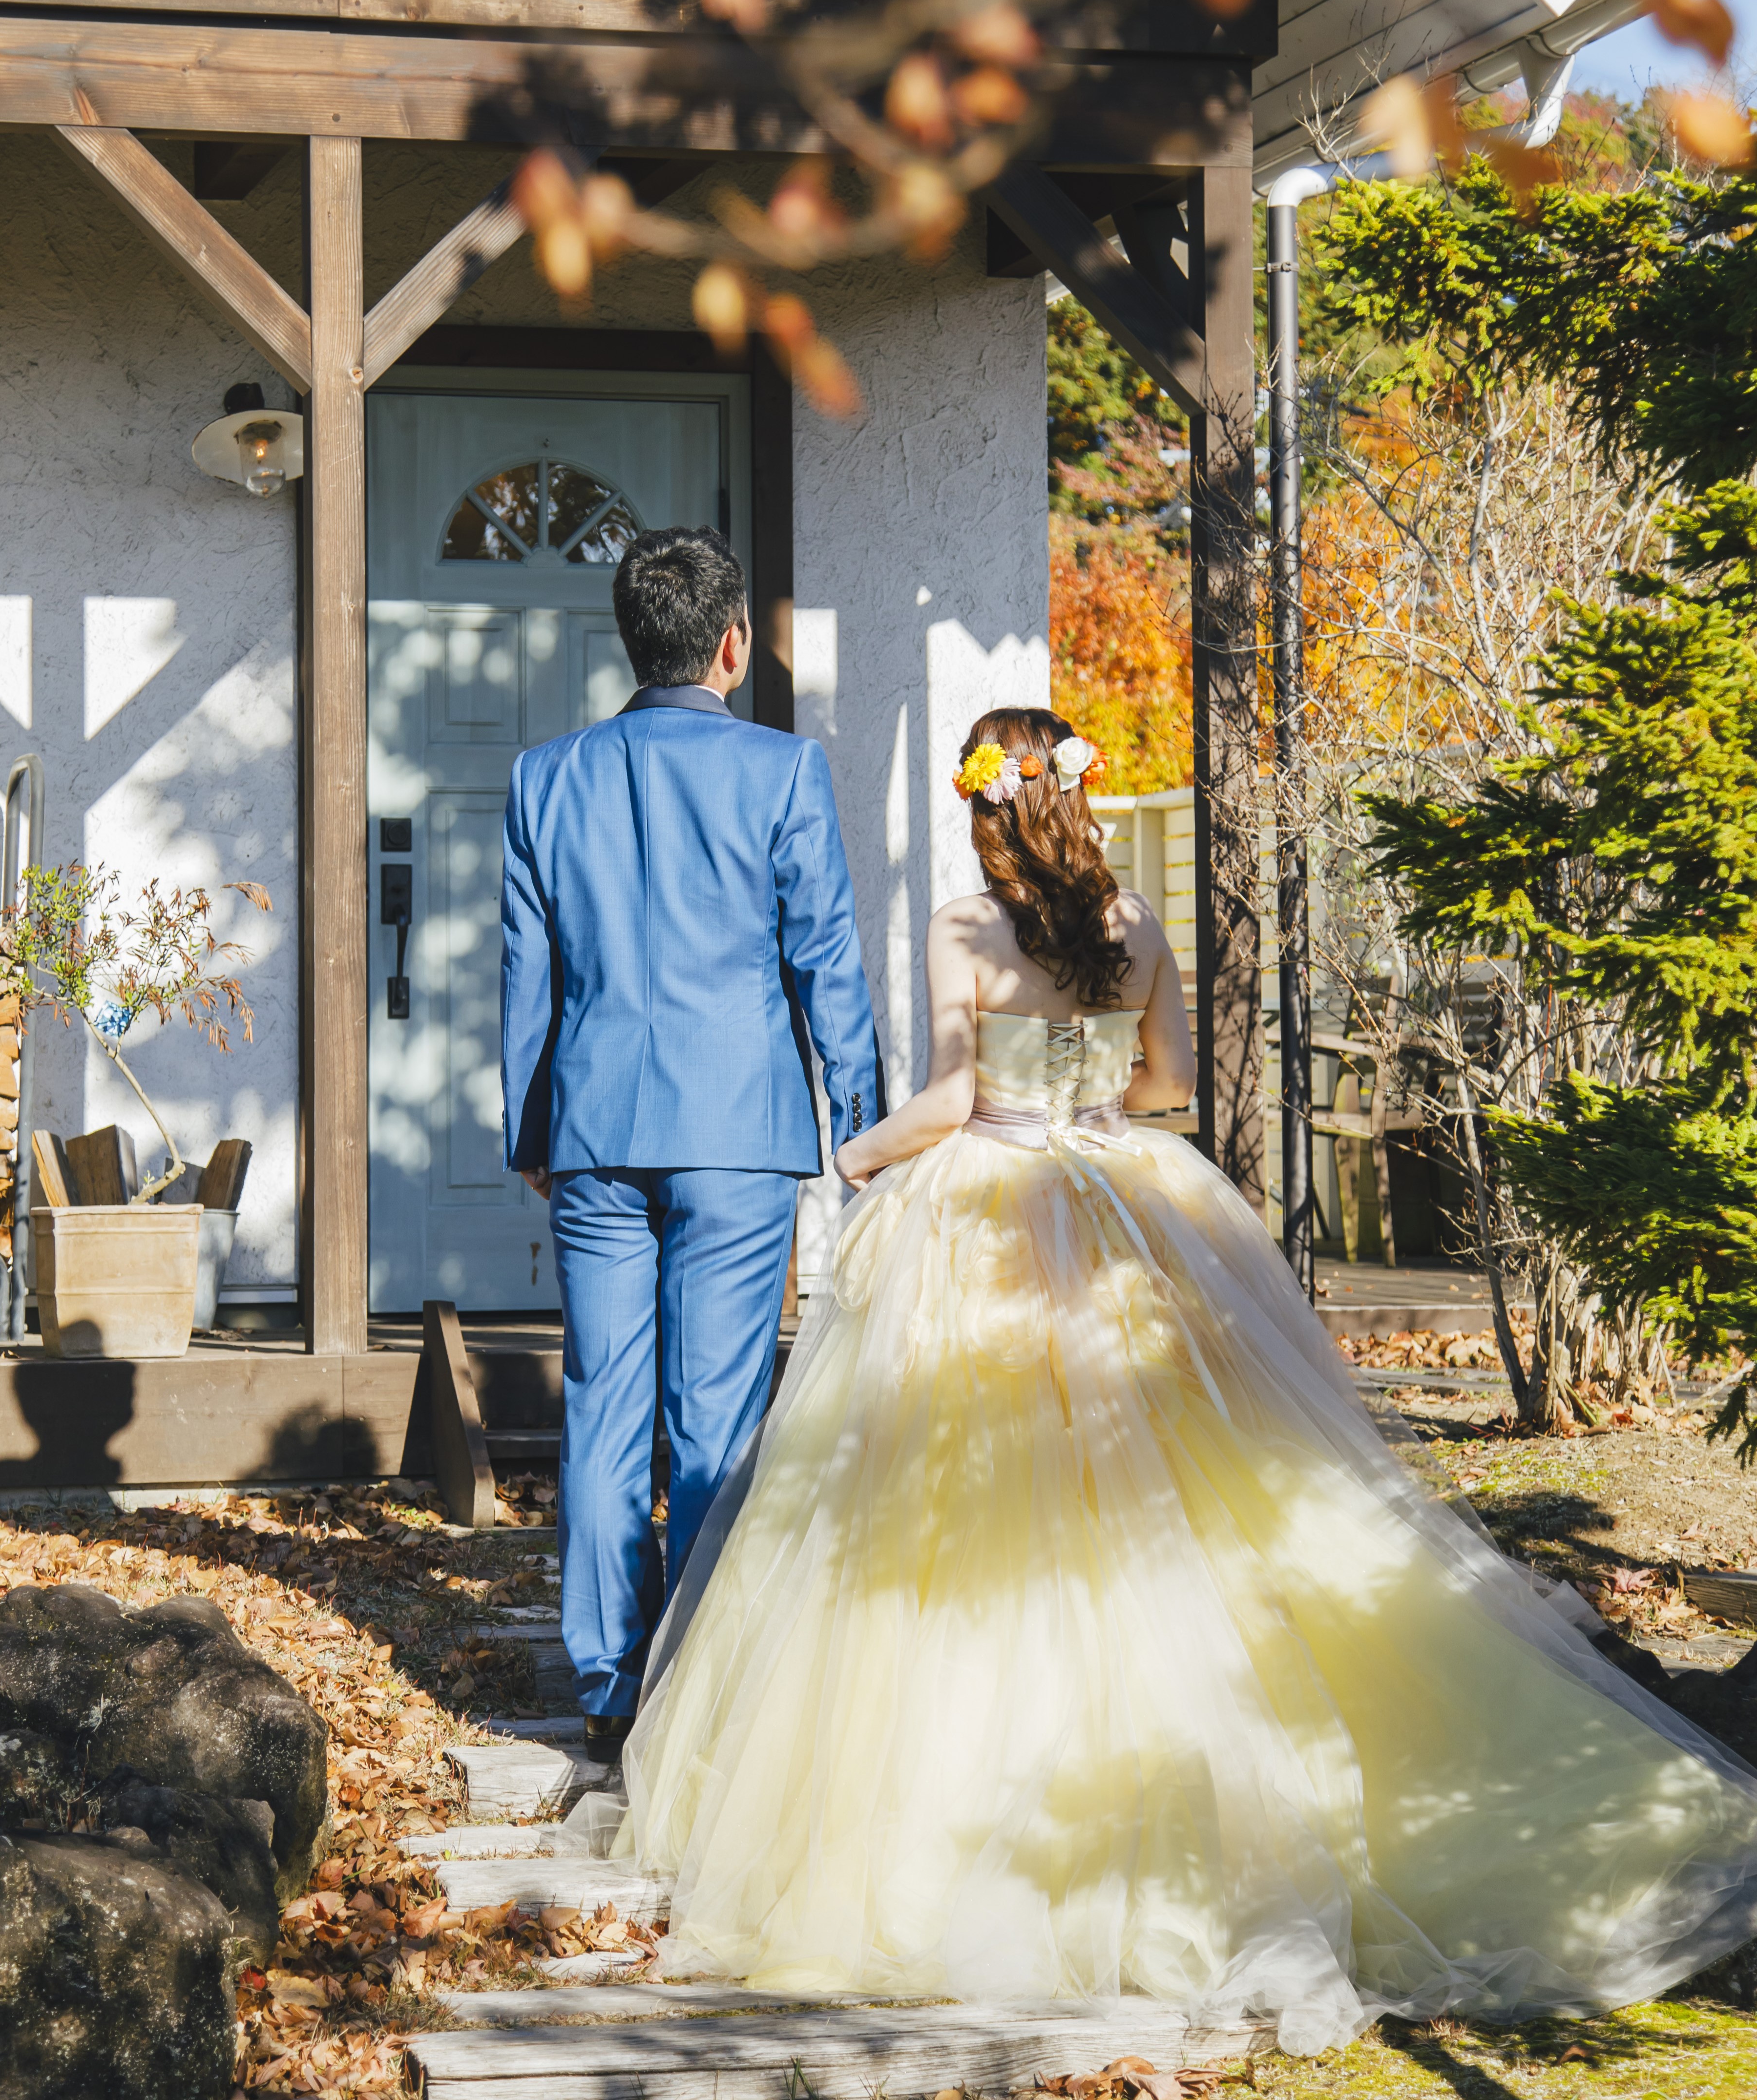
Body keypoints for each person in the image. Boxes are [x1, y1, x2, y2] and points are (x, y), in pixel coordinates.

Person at [605, 705, 1757, 2052]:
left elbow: (944, 1108)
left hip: (985, 1214)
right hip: (1127, 1193)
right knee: (1212, 1484)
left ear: (987, 808)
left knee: (954, 1511)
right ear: (1075, 800)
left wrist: (853, 1168)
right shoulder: (1136, 925)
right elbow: (1165, 1082)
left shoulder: (963, 932)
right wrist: (1089, 1115)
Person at [500, 525, 882, 1766]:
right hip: (737, 1130)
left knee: (603, 1402)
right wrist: (861, 1132)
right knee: (714, 1410)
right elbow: (825, 956)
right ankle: (700, 1676)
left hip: (596, 1127)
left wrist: (528, 1127)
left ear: (633, 641)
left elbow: (526, 974)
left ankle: (609, 1684)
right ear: (728, 646)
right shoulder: (782, 772)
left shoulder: (543, 777)